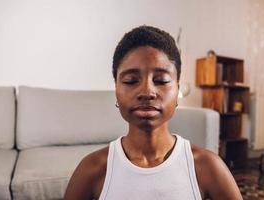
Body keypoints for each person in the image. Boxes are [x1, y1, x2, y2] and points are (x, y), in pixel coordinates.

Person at [64, 25, 242, 200]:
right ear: (116, 90)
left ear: (177, 91)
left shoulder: (207, 167)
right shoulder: (92, 169)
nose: (147, 92)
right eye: (131, 80)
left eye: (161, 80)